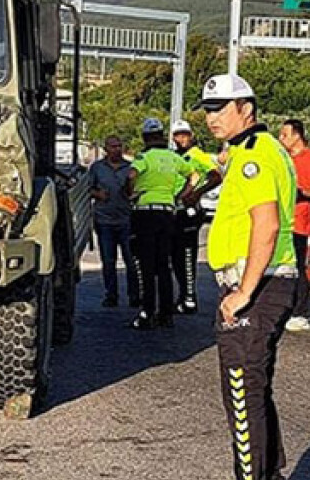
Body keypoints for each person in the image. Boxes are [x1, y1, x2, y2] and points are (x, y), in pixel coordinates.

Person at [193, 74, 297, 480]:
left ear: (246, 108)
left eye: (222, 107)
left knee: (241, 393)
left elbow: (267, 225)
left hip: (257, 288)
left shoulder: (255, 156)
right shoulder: (252, 152)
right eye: (208, 108)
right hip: (266, 285)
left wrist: (243, 293)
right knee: (255, 392)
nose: (212, 116)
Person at [125, 118, 193, 329]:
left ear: (145, 138)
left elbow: (131, 175)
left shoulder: (144, 158)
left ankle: (147, 312)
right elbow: (194, 175)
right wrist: (179, 196)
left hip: (145, 214)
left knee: (146, 265)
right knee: (164, 266)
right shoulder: (173, 158)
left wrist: (131, 193)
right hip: (167, 213)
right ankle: (166, 315)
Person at [278, 119, 310, 332]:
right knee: (280, 269)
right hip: (279, 224)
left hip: (298, 224)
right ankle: (282, 308)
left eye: (284, 135)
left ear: (297, 135)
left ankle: (300, 313)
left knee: (298, 269)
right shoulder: (284, 159)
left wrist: (300, 192)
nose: (281, 139)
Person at [170, 120, 222, 314]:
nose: (181, 138)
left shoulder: (197, 155)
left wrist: (198, 193)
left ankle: (190, 298)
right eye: (178, 135)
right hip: (176, 210)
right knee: (176, 257)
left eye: (185, 134)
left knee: (187, 254)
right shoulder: (176, 156)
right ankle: (182, 296)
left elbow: (216, 176)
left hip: (190, 210)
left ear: (191, 135)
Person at [86, 136, 139, 309]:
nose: (116, 149)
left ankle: (134, 296)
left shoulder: (130, 167)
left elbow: (137, 189)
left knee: (131, 261)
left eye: (119, 146)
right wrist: (97, 194)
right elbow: (87, 188)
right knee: (108, 261)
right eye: (113, 146)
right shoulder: (97, 168)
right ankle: (111, 296)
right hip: (104, 220)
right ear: (106, 149)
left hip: (126, 220)